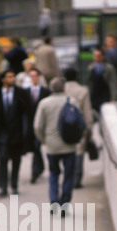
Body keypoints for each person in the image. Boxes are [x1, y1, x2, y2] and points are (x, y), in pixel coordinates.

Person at [33, 77, 78, 209]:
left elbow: (37, 127)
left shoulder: (44, 103)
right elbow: (79, 123)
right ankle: (65, 202)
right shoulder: (72, 101)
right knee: (69, 174)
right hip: (69, 144)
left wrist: (44, 140)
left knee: (53, 173)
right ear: (64, 88)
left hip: (51, 145)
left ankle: (54, 200)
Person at [0, 70, 30, 197]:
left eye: (13, 77)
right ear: (3, 79)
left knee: (16, 160)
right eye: (9, 77)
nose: (12, 79)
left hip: (17, 133)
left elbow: (27, 112)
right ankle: (3, 187)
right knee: (3, 160)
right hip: (2, 134)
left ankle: (14, 185)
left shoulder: (21, 93)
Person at [64, 68, 93, 189]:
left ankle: (67, 177)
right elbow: (87, 110)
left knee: (66, 150)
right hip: (78, 124)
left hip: (64, 124)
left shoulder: (62, 89)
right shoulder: (83, 90)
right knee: (79, 150)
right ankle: (77, 178)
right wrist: (89, 127)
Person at [25, 67, 51, 184]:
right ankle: (39, 168)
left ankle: (35, 171)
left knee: (36, 147)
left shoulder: (46, 91)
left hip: (42, 126)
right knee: (35, 148)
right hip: (30, 125)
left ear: (39, 77)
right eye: (32, 76)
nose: (34, 78)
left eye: (36, 76)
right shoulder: (25, 92)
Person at [88, 48, 117, 113]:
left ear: (103, 56)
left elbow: (113, 83)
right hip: (94, 96)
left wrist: (113, 98)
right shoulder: (90, 68)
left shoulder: (109, 68)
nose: (96, 57)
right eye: (95, 56)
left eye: (98, 55)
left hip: (105, 95)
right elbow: (89, 83)